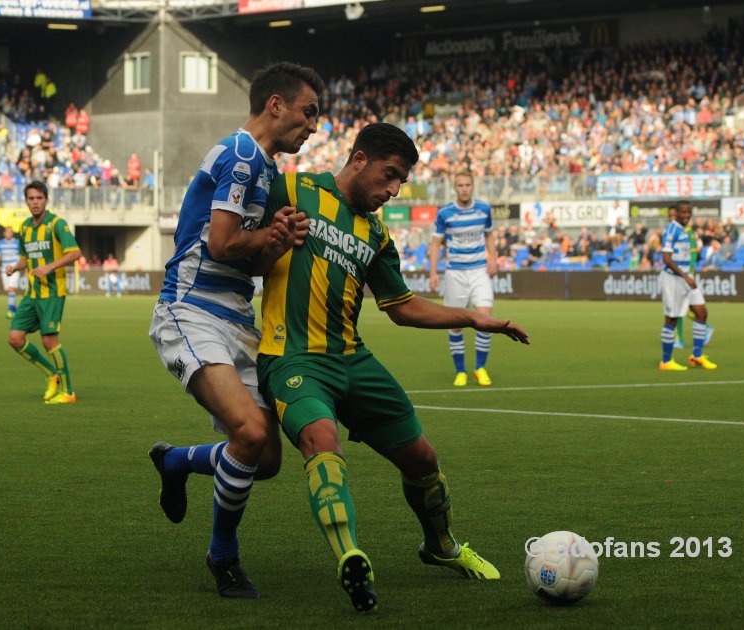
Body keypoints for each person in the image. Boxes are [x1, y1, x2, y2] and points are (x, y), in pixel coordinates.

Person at [256, 123, 530, 612]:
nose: (392, 190)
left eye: (400, 182)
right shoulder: (291, 187)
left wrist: (471, 318)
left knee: (423, 457)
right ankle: (351, 558)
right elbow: (239, 235)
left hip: (353, 361)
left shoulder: (377, 234)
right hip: (292, 357)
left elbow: (400, 306)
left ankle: (441, 547)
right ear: (358, 159)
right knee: (322, 438)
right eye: (389, 176)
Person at [147, 61, 324, 600]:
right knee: (249, 433)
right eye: (308, 112)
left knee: (265, 459)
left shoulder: (265, 168)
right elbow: (221, 244)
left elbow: (245, 261)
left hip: (235, 317)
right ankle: (223, 555)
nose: (314, 126)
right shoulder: (243, 153)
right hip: (190, 308)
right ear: (276, 104)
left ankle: (175, 460)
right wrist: (268, 233)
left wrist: (277, 240)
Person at [6, 180, 82, 402]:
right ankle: (52, 375)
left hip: (53, 292)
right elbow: (26, 258)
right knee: (15, 338)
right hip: (32, 293)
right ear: (27, 201)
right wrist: (15, 266)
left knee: (49, 341)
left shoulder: (56, 224)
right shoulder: (25, 227)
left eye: (39, 198)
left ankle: (68, 392)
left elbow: (75, 253)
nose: (35, 202)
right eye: (31, 198)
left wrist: (49, 267)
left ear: (46, 200)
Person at [428, 170, 498, 387]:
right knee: (455, 324)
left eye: (468, 185)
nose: (464, 188)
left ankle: (480, 368)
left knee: (485, 319)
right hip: (455, 272)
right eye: (460, 185)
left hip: (478, 270)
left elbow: (489, 235)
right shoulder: (445, 213)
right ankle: (460, 371)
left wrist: (494, 258)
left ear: (473, 186)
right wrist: (432, 271)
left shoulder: (484, 209)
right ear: (454, 187)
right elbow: (436, 244)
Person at [659, 200, 716, 371]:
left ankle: (697, 356)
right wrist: (685, 276)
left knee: (701, 312)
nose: (686, 215)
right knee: (672, 319)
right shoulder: (672, 229)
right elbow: (666, 259)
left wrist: (687, 276)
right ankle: (666, 361)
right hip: (674, 279)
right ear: (676, 212)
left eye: (688, 212)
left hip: (686, 278)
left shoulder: (684, 230)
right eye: (682, 212)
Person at [0, 226, 22, 318]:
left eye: (10, 232)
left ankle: (10, 311)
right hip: (4, 269)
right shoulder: (0, 243)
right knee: (8, 291)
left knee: (11, 289)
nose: (9, 233)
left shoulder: (17, 243)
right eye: (7, 231)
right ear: (4, 233)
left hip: (14, 269)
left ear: (12, 233)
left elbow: (22, 256)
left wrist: (23, 268)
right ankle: (14, 309)